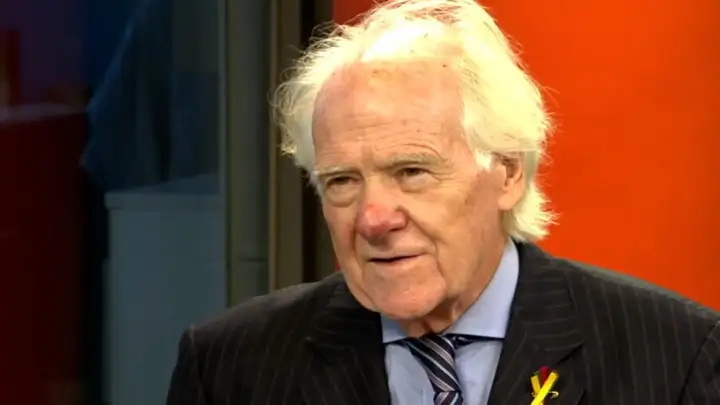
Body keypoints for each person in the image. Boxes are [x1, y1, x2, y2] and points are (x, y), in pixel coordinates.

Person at [166, 0, 720, 404]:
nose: (374, 219)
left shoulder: (674, 356)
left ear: (507, 172)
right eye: (342, 181)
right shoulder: (230, 367)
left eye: (411, 172)